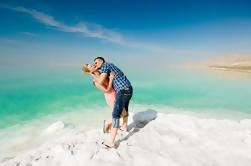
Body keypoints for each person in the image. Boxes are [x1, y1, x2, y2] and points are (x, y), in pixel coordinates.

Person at [91, 57, 133, 148]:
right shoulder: (105, 69)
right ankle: (124, 126)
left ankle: (111, 141)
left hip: (122, 91)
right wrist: (92, 73)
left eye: (96, 62)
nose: (95, 64)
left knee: (116, 115)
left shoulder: (105, 65)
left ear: (102, 61)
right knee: (124, 109)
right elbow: (100, 82)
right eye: (93, 64)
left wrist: (110, 78)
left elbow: (101, 81)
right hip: (127, 89)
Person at [82, 64, 127, 133]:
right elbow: (107, 90)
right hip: (111, 96)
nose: (93, 65)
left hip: (116, 93)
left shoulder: (102, 74)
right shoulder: (95, 81)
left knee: (122, 112)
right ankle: (108, 123)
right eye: (91, 66)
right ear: (90, 71)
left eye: (92, 64)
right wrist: (111, 79)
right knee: (120, 113)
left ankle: (112, 127)